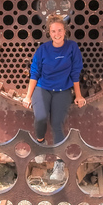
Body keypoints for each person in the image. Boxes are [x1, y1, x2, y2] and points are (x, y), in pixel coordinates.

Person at [22, 14, 86, 145]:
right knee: (41, 118)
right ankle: (40, 142)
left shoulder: (72, 47)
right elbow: (34, 73)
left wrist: (78, 96)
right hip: (43, 88)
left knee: (57, 124)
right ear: (49, 33)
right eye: (53, 31)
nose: (57, 34)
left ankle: (60, 161)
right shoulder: (42, 49)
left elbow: (75, 73)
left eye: (60, 30)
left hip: (62, 90)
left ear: (65, 31)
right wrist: (28, 96)